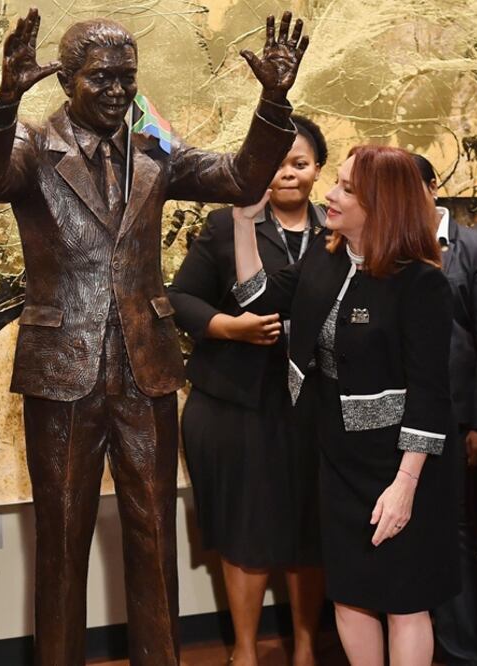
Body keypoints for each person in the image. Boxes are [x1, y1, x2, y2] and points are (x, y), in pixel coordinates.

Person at [0, 9, 308, 664]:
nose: (119, 90)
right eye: (103, 78)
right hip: (63, 372)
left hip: (146, 370)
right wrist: (6, 99)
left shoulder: (156, 150)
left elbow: (241, 179)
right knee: (63, 542)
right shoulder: (35, 146)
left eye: (129, 78)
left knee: (155, 542)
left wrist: (273, 100)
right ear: (66, 80)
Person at [231, 145, 457, 666]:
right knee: (350, 590)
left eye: (348, 189)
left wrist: (405, 487)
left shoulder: (421, 283)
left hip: (401, 465)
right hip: (335, 456)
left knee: (405, 599)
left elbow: (430, 395)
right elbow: (257, 296)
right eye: (338, 182)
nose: (330, 195)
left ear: (383, 203)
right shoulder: (325, 256)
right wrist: (245, 223)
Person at [168, 115, 328, 666]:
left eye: (300, 163)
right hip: (235, 403)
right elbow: (180, 298)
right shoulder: (224, 224)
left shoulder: (339, 228)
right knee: (245, 529)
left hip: (316, 408)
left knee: (312, 525)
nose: (288, 173)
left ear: (317, 169)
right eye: (277, 163)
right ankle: (244, 649)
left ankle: (306, 644)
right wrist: (228, 327)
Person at [412, 153, 477, 666]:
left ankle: (464, 650)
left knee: (458, 534)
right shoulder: (388, 243)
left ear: (430, 187)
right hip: (404, 418)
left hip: (459, 417)